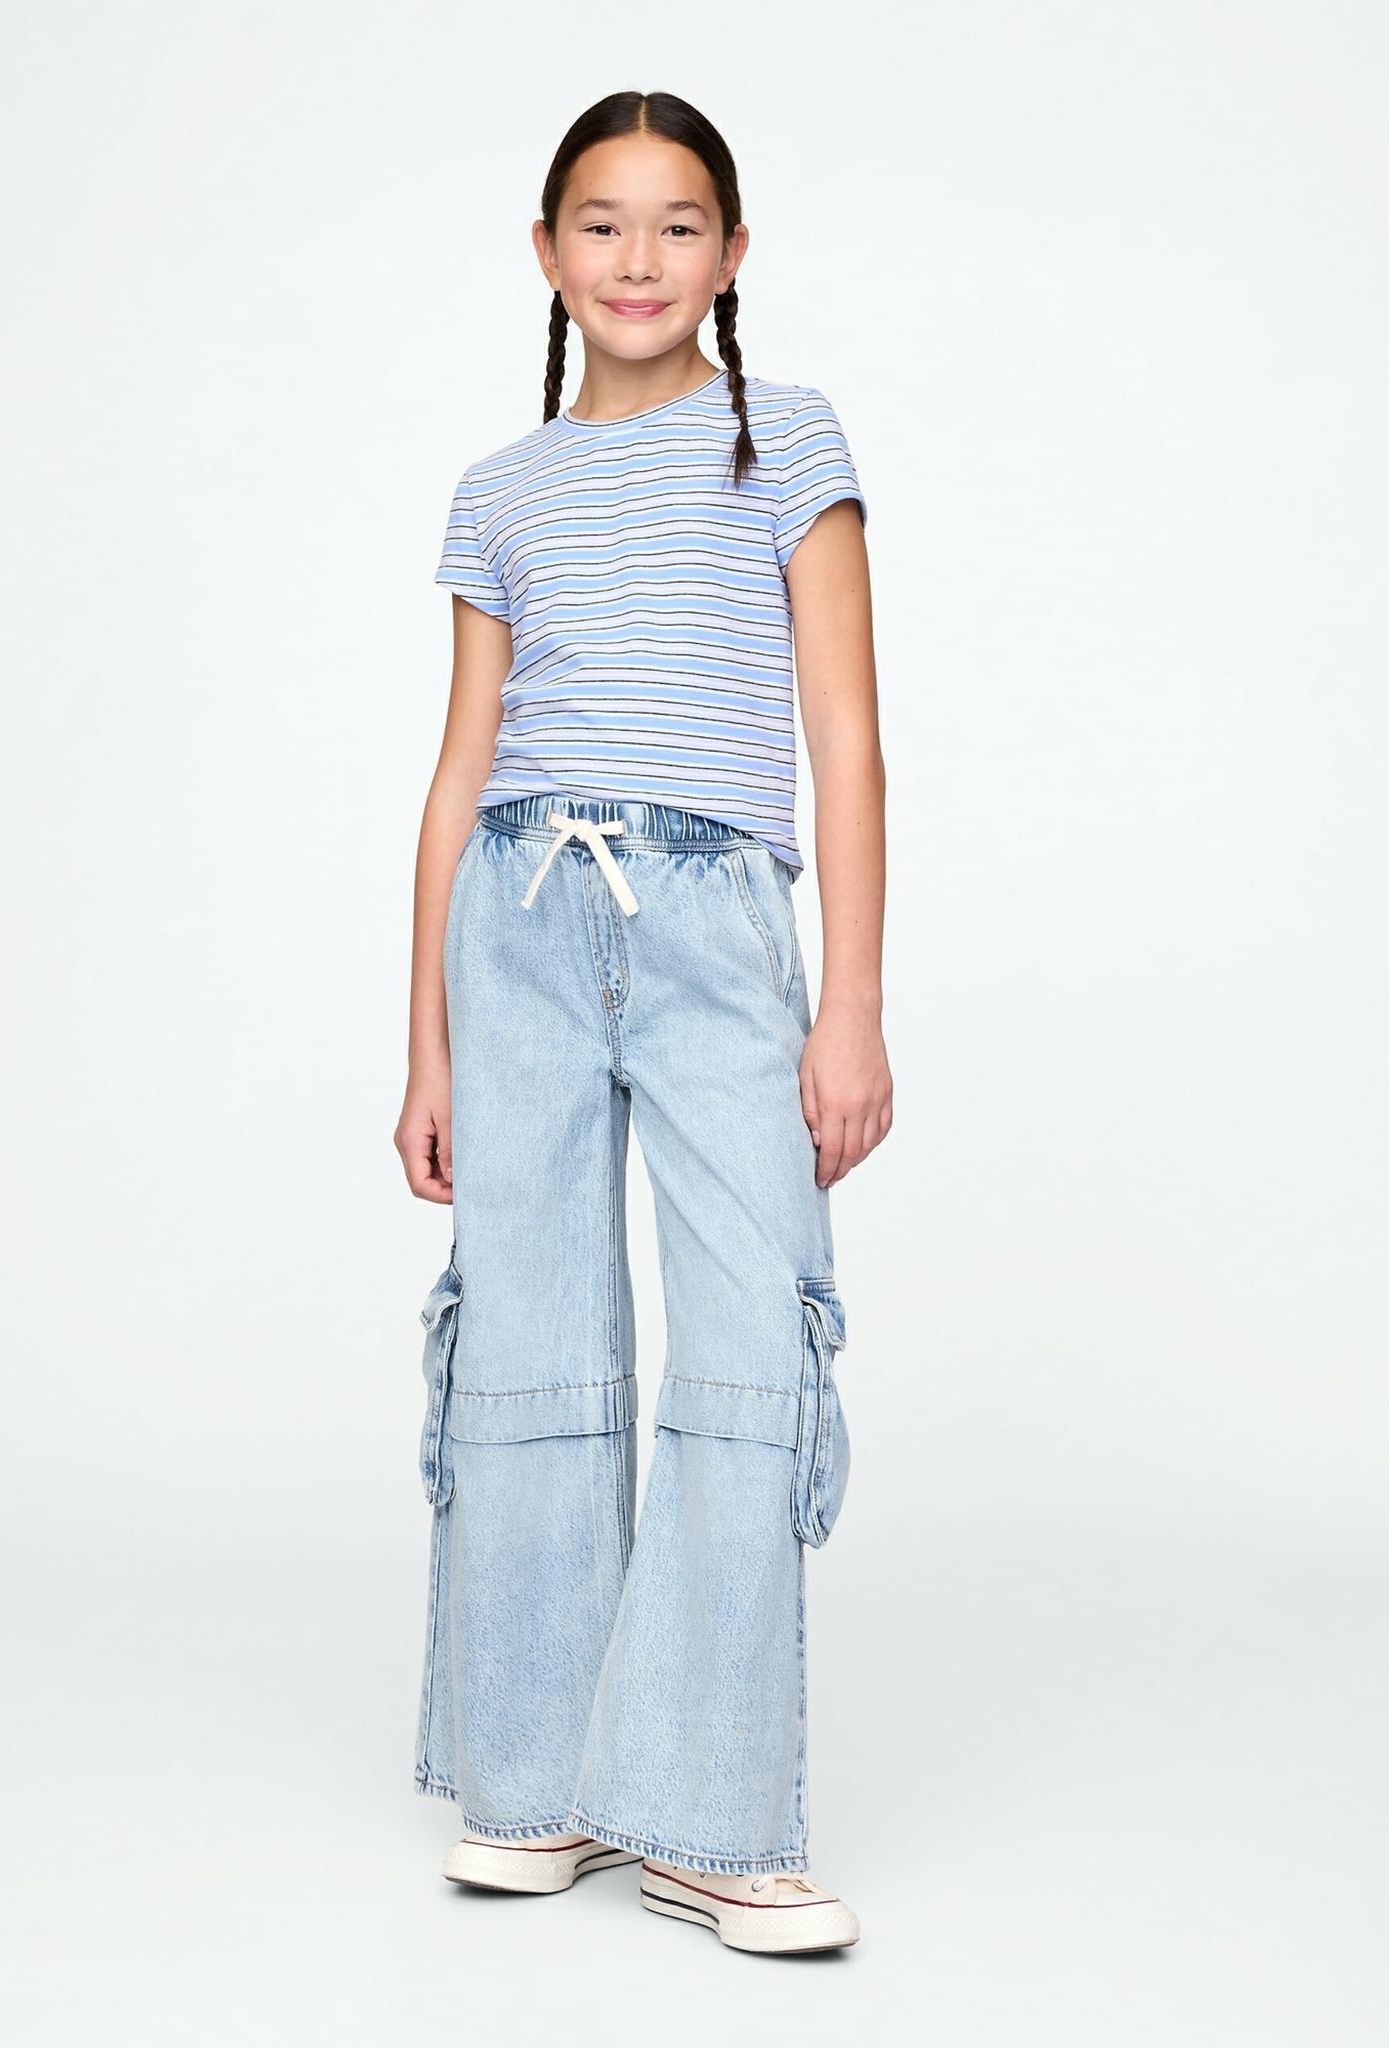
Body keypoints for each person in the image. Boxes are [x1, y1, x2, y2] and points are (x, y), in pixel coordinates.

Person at [395, 88, 892, 1957]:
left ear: (733, 254)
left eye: (679, 225)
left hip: (712, 918)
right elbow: (458, 773)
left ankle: (708, 1813)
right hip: (516, 920)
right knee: (530, 1336)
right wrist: (429, 1044)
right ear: (546, 253)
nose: (637, 259)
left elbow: (845, 737)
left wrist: (851, 1003)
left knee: (749, 1331)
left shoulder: (788, 442)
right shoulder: (499, 492)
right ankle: (534, 1788)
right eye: (601, 224)